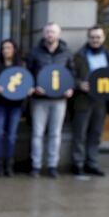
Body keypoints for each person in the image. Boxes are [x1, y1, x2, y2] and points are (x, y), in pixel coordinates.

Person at [26, 22, 75, 178]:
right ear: (43, 34)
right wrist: (34, 87)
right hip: (39, 99)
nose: (50, 35)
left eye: (53, 32)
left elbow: (72, 73)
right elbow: (27, 73)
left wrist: (70, 88)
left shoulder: (66, 53)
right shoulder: (34, 52)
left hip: (59, 100)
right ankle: (36, 166)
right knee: (37, 134)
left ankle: (53, 165)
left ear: (58, 34)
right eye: (47, 32)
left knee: (55, 134)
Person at [71, 26, 109, 177]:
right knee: (80, 133)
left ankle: (92, 163)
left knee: (96, 134)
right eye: (92, 37)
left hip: (101, 100)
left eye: (98, 37)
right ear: (88, 38)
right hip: (83, 100)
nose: (95, 40)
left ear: (103, 38)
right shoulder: (79, 56)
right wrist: (79, 84)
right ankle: (78, 164)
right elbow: (70, 76)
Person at [0, 39, 29, 176]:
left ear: (14, 49)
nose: (6, 50)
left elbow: (26, 82)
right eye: (4, 48)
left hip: (16, 105)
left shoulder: (21, 65)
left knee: (12, 135)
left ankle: (9, 164)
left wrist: (27, 90)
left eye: (9, 47)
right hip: (0, 104)